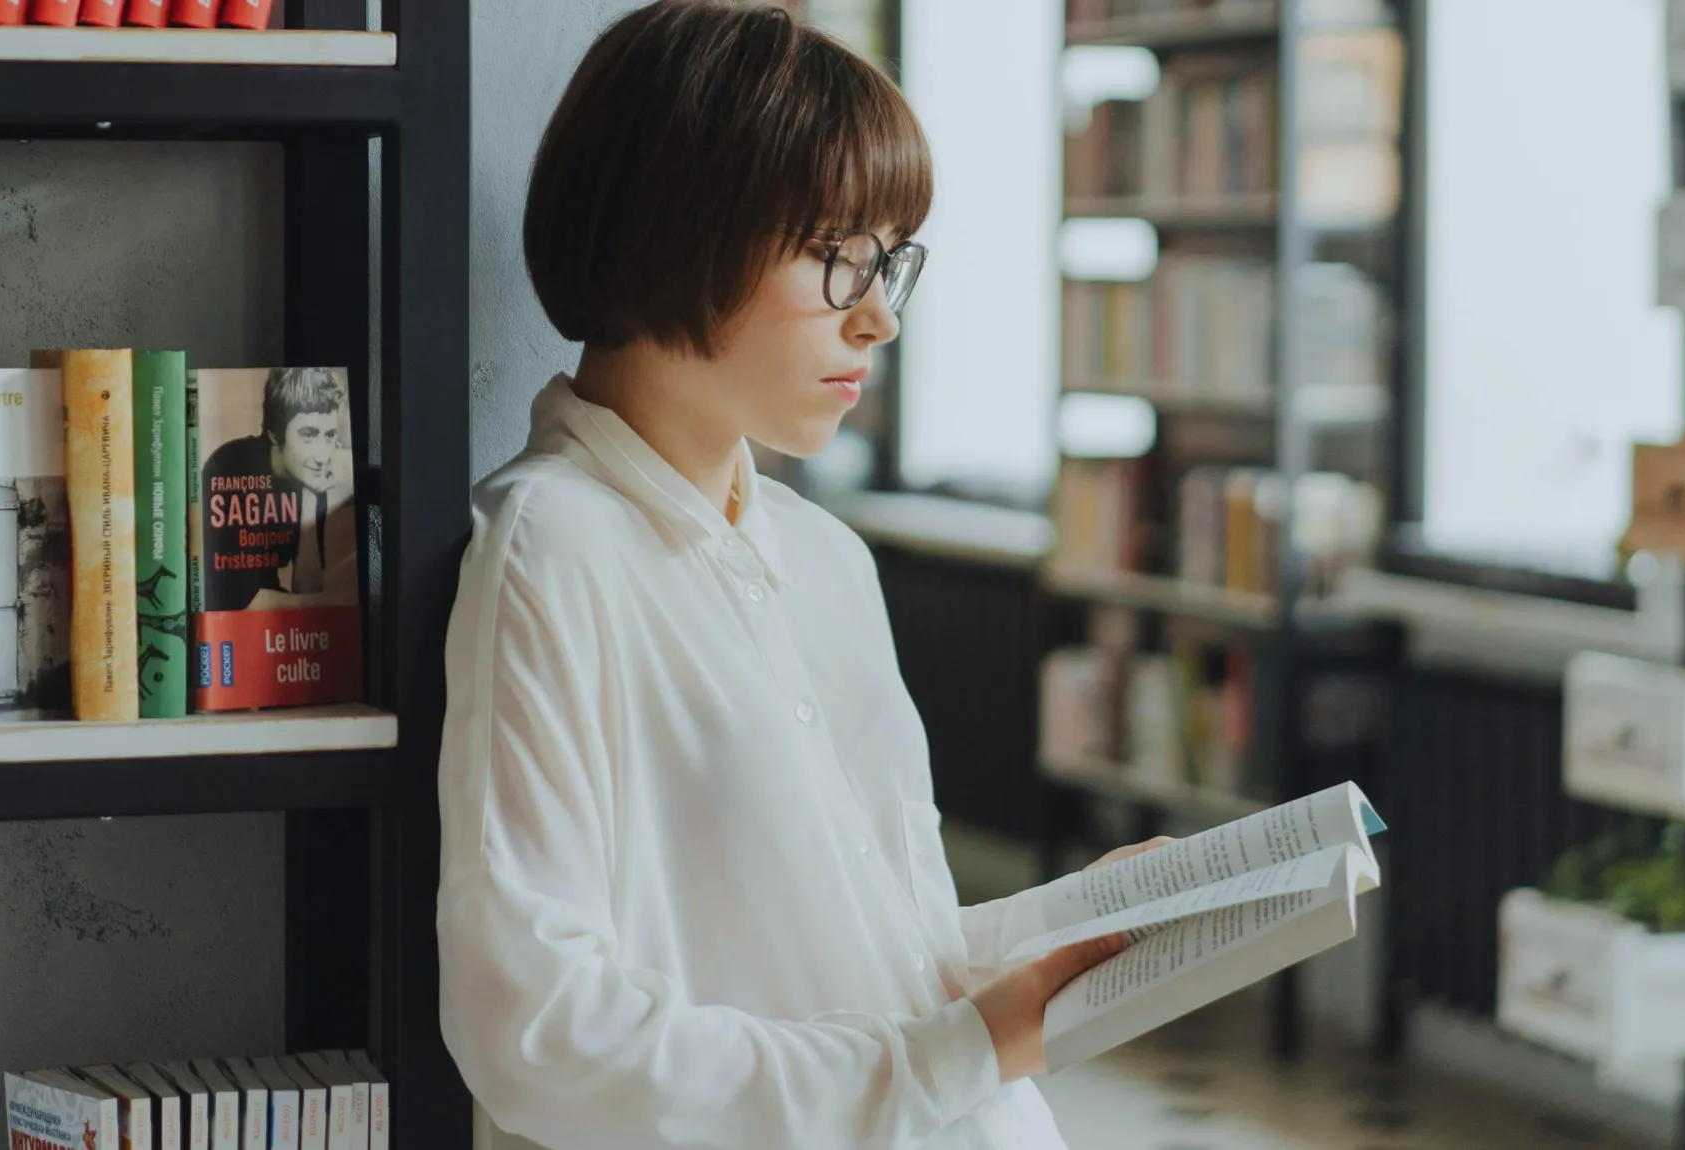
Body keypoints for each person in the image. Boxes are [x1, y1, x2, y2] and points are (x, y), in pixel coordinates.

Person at [435, 4, 1166, 1148]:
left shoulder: (827, 558)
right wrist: (965, 1048)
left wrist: (1078, 923)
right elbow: (540, 1031)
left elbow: (891, 941)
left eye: (890, 264)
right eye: (836, 258)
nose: (877, 317)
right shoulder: (553, 548)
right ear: (677, 231)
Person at [198, 366, 357, 613]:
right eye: (309, 435)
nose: (322, 455)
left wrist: (312, 496)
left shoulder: (307, 475)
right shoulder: (231, 464)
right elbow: (253, 605)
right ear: (275, 433)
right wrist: (337, 601)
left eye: (329, 436)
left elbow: (305, 587)